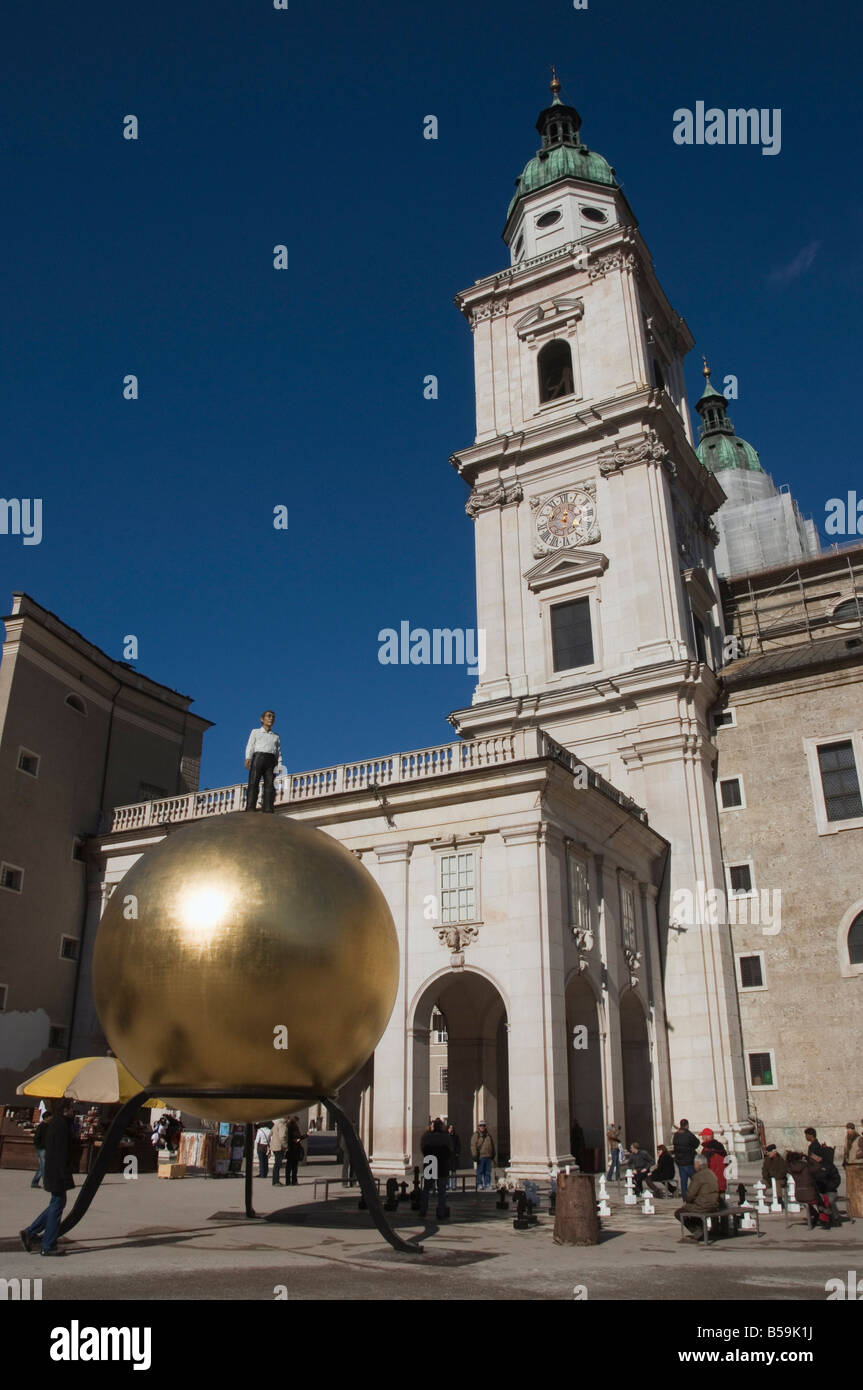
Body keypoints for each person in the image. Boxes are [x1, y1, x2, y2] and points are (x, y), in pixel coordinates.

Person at [20, 1100, 76, 1256]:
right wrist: (64, 1175)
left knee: (56, 1203)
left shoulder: (57, 1123)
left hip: (54, 1171)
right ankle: (48, 1245)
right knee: (57, 1204)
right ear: (65, 1110)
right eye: (72, 1109)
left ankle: (30, 1232)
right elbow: (61, 1153)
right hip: (57, 1172)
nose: (74, 1112)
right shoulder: (61, 1126)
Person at [244, 710, 283, 813]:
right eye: (269, 716)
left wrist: (279, 765)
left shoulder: (276, 736)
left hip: (271, 760)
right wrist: (248, 758)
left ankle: (268, 808)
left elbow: (278, 752)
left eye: (273, 717)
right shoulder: (255, 732)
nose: (271, 718)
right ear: (262, 719)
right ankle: (250, 807)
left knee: (270, 785)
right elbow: (250, 745)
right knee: (253, 783)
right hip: (258, 758)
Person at [674, 1155, 720, 1240]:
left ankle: (697, 1231)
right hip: (714, 1204)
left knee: (679, 1212)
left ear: (698, 1164)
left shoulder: (698, 1176)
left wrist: (689, 1200)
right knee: (694, 1208)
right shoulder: (711, 1173)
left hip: (704, 1205)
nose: (694, 1166)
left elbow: (689, 1195)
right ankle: (701, 1230)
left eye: (694, 1164)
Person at [420, 1119, 454, 1220]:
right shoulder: (446, 1137)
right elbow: (450, 1150)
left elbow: (423, 1148)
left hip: (430, 1163)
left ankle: (423, 1210)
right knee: (442, 1190)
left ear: (433, 1126)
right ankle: (441, 1212)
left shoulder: (427, 1137)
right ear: (442, 1127)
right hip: (442, 1165)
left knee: (426, 1189)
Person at [672, 1119, 700, 1200]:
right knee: (694, 1179)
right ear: (687, 1125)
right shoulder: (689, 1134)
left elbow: (674, 1144)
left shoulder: (676, 1135)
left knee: (683, 1181)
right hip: (689, 1160)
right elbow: (697, 1143)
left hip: (680, 1161)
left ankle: (685, 1197)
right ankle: (695, 1194)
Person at [699, 1129, 728, 1195]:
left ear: (706, 1137)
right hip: (722, 1180)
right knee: (721, 1201)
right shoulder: (721, 1147)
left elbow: (704, 1167)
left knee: (712, 1203)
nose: (702, 1138)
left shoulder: (706, 1150)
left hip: (711, 1183)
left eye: (702, 1136)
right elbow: (727, 1162)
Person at [844, 1123, 863, 1218]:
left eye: (850, 1129)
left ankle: (860, 1210)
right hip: (850, 1166)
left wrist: (857, 1156)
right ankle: (853, 1211)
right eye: (847, 1129)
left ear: (853, 1129)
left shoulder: (859, 1138)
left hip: (858, 1166)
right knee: (851, 1192)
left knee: (859, 1190)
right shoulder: (847, 1139)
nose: (848, 1131)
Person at [470, 1121, 495, 1190]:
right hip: (480, 1156)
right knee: (480, 1171)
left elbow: (492, 1145)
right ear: (478, 1127)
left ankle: (487, 1184)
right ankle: (479, 1184)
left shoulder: (489, 1135)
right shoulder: (476, 1135)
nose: (482, 1127)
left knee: (488, 1172)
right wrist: (474, 1155)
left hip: (488, 1156)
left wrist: (493, 1153)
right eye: (481, 1126)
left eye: (483, 1125)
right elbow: (473, 1146)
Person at [285, 1117, 305, 1186]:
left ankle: (293, 1181)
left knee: (294, 1166)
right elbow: (288, 1139)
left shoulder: (294, 1128)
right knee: (290, 1166)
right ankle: (289, 1181)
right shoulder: (290, 1128)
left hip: (295, 1149)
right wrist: (295, 1140)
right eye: (297, 1121)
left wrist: (307, 1135)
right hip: (292, 1149)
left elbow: (299, 1138)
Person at [31, 1113, 49, 1189]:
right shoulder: (41, 1126)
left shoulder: (48, 1126)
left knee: (42, 1166)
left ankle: (35, 1182)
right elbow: (36, 1138)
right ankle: (46, 1183)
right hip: (42, 1148)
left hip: (45, 1148)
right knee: (44, 1166)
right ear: (47, 1118)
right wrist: (40, 1146)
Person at [270, 1115, 289, 1185]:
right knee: (278, 1164)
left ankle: (275, 1181)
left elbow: (270, 1133)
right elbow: (282, 1136)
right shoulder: (283, 1125)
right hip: (279, 1147)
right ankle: (276, 1181)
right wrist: (286, 1146)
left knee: (276, 1164)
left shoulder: (276, 1124)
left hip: (274, 1146)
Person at [446, 1123, 461, 1191]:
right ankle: (447, 1185)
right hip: (447, 1156)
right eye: (450, 1128)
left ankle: (453, 1186)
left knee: (453, 1171)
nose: (451, 1129)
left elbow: (458, 1145)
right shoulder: (445, 1136)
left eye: (452, 1128)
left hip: (453, 1156)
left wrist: (457, 1153)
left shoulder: (456, 1136)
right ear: (448, 1129)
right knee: (447, 1172)